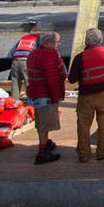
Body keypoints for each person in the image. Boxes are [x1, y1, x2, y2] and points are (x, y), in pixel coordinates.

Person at [67, 27, 104, 163]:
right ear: (100, 40)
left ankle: (84, 155)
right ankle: (102, 152)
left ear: (86, 41)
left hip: (86, 96)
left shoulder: (79, 58)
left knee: (83, 126)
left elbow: (72, 79)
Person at [25, 31, 67, 164]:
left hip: (35, 93)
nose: (58, 45)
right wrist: (56, 96)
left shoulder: (33, 54)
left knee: (41, 121)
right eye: (57, 42)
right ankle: (42, 151)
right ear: (50, 43)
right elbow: (52, 79)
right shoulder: (49, 55)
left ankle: (46, 143)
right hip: (45, 94)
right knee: (45, 123)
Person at [7, 26, 39, 99]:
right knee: (29, 82)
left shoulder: (22, 39)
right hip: (26, 61)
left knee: (15, 83)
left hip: (15, 61)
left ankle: (15, 103)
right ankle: (31, 102)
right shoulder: (37, 39)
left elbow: (12, 52)